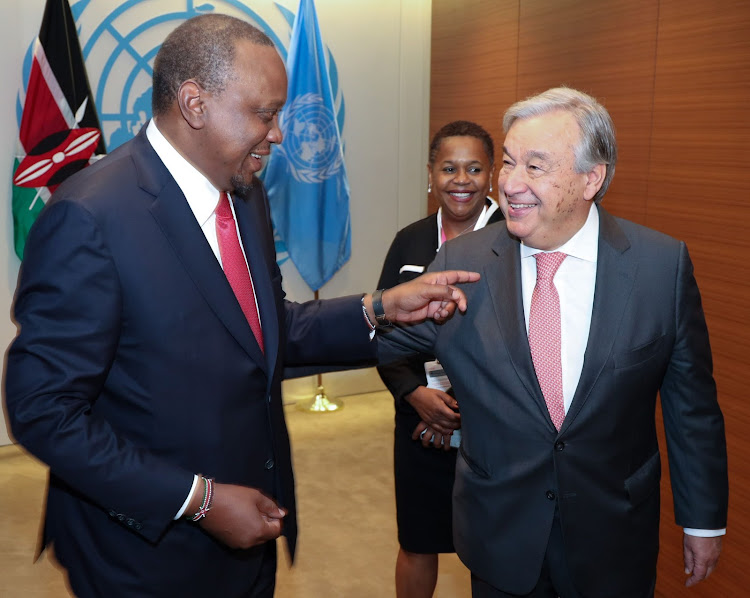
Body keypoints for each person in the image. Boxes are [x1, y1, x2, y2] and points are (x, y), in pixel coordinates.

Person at [3, 14, 479, 598]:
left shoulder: (245, 195)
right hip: (142, 554)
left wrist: (380, 308)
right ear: (195, 104)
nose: (278, 134)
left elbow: (266, 333)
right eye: (264, 113)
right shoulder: (90, 217)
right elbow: (44, 411)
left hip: (251, 528)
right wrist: (197, 499)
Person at [376, 87, 728, 597]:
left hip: (614, 537)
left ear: (592, 178)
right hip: (500, 533)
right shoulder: (463, 263)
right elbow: (388, 345)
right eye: (511, 162)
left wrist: (702, 521)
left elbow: (692, 407)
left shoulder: (659, 266)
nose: (509, 184)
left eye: (535, 167)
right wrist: (378, 315)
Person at [376, 120, 504, 598]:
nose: (461, 180)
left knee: (490, 546)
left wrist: (457, 407)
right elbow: (383, 328)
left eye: (474, 168)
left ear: (492, 175)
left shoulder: (513, 237)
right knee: (417, 539)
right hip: (418, 419)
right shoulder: (409, 240)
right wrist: (415, 394)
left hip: (491, 423)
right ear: (430, 174)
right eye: (449, 168)